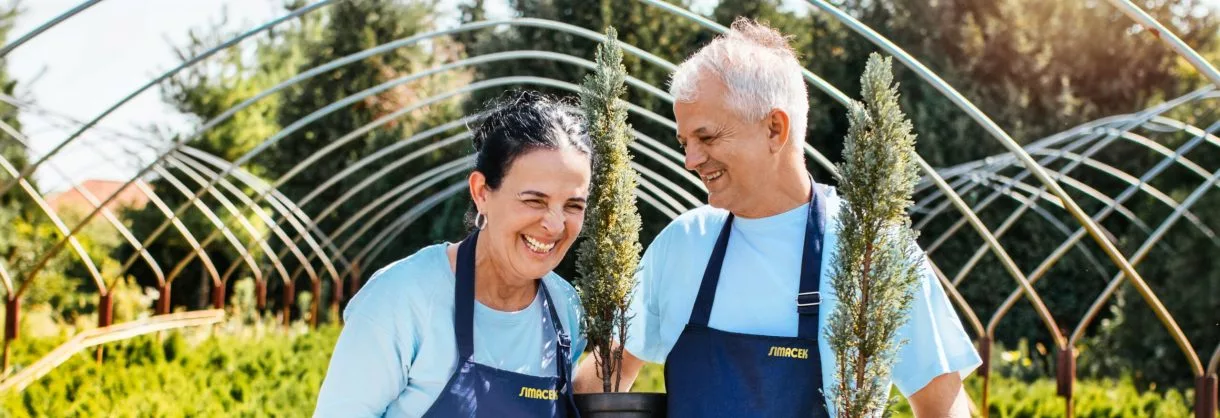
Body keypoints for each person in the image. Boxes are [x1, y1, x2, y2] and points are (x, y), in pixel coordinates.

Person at [573, 18, 981, 417]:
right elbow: (605, 376)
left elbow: (941, 407)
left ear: (774, 128)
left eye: (707, 137)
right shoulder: (683, 244)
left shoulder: (874, 249)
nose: (690, 160)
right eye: (685, 142)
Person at [314, 91, 592, 417]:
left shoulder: (565, 311)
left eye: (573, 205)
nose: (555, 225)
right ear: (481, 193)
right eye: (535, 200)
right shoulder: (403, 299)